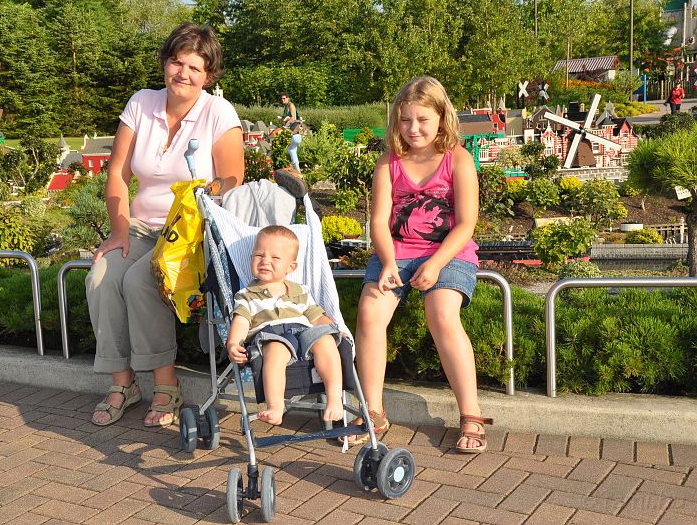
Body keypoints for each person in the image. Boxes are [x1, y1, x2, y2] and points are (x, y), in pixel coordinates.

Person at [86, 22, 244, 427]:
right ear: (164, 63)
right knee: (101, 275)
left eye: (194, 67)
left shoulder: (218, 112)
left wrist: (208, 189)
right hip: (142, 225)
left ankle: (165, 384)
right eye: (177, 62)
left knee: (141, 280)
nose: (183, 73)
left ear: (208, 75)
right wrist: (119, 229)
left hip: (190, 230)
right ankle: (123, 384)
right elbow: (118, 173)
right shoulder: (142, 103)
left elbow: (233, 177)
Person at [347, 76, 492, 453]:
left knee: (442, 313)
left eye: (423, 120)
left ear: (442, 118)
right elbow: (379, 222)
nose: (413, 129)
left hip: (448, 252)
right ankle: (373, 411)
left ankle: (471, 413)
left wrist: (436, 263)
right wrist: (388, 262)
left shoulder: (458, 159)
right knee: (369, 312)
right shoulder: (388, 162)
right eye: (405, 120)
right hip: (396, 252)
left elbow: (466, 223)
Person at [226, 225, 344, 426]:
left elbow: (317, 318)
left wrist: (335, 330)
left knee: (326, 341)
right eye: (259, 255)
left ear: (291, 267)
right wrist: (233, 344)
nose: (265, 261)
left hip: (303, 332)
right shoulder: (246, 295)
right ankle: (276, 406)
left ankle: (334, 399)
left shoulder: (300, 292)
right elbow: (241, 321)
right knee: (276, 349)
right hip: (271, 335)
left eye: (275, 257)